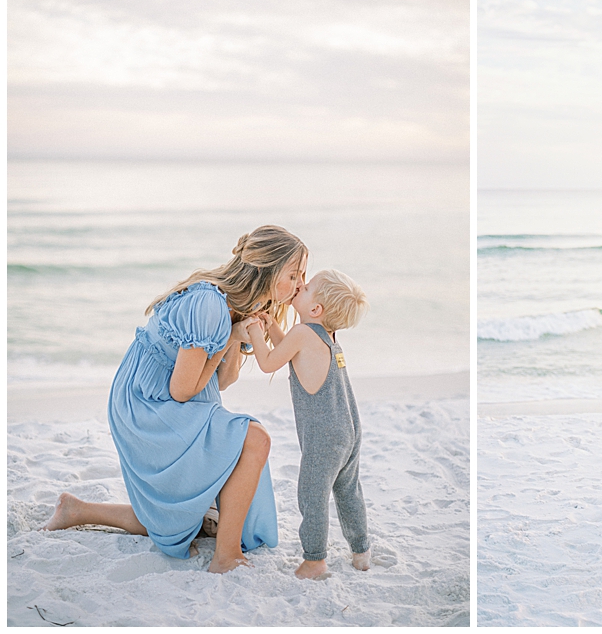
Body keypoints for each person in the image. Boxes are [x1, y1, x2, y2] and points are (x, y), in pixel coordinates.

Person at [43, 225, 308, 573]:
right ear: (267, 270)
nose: (301, 284)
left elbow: (223, 382)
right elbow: (180, 391)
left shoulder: (239, 306)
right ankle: (226, 557)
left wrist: (233, 339)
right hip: (148, 404)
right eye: (294, 274)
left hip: (174, 398)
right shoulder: (210, 304)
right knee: (255, 439)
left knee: (188, 516)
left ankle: (77, 510)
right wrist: (228, 334)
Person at [243, 268, 372, 580]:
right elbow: (291, 352)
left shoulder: (303, 334)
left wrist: (256, 332)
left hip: (325, 438)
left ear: (316, 309)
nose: (299, 285)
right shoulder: (325, 337)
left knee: (312, 495)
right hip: (349, 430)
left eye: (306, 286)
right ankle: (361, 551)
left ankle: (315, 561)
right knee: (348, 490)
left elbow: (269, 362)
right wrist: (273, 325)